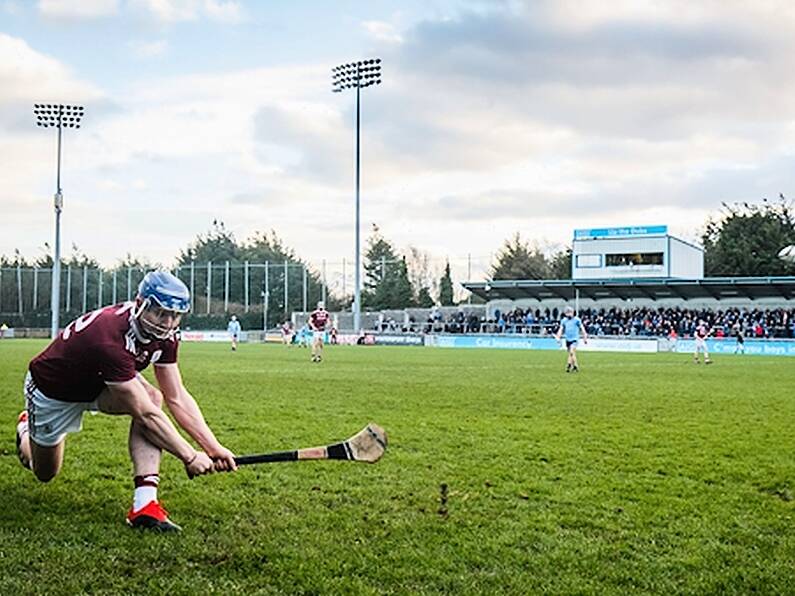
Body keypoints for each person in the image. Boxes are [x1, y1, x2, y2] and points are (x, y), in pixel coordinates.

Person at [15, 270, 237, 533]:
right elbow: (145, 415)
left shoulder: (166, 336)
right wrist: (189, 456)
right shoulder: (109, 338)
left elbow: (176, 396)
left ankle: (145, 506)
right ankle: (26, 429)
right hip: (53, 392)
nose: (167, 323)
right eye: (160, 313)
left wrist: (213, 447)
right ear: (140, 302)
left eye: (174, 316)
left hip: (100, 383)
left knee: (154, 397)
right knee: (44, 472)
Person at [554, 306, 588, 372]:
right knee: (570, 353)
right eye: (567, 313)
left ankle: (575, 365)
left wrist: (585, 337)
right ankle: (569, 365)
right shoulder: (564, 321)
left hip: (574, 339)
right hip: (567, 339)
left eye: (570, 313)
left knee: (572, 352)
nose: (569, 314)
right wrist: (558, 337)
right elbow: (561, 329)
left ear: (573, 313)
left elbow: (582, 329)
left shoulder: (577, 320)